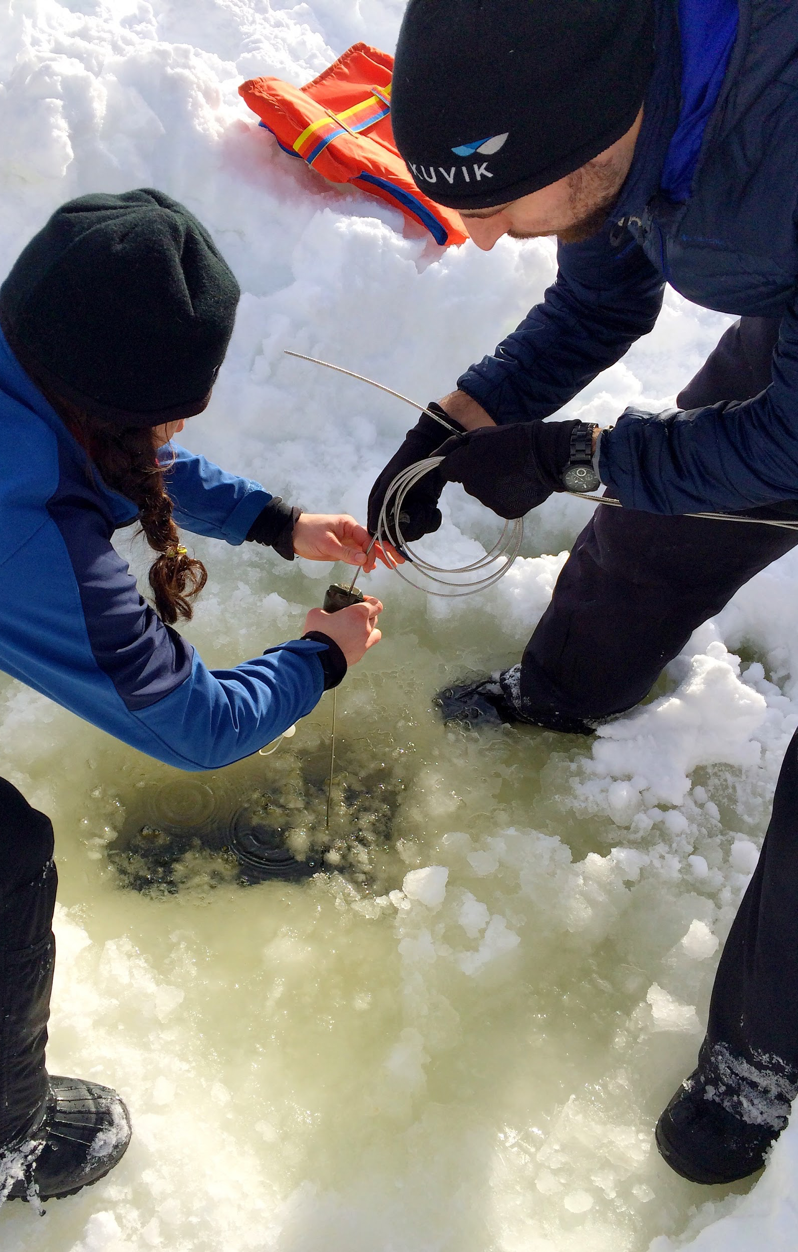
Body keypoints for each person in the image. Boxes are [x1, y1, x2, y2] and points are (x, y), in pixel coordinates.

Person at [0, 189, 386, 1247]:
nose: (179, 429)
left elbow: (82, 442)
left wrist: (273, 521)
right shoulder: (19, 538)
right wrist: (320, 657)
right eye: (170, 413)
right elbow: (194, 727)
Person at [367, 0, 798, 1188]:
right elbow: (602, 296)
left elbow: (790, 447)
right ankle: (562, 690)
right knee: (660, 525)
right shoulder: (601, 76)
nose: (492, 236)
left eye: (503, 205)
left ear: (610, 136)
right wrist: (462, 421)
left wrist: (576, 458)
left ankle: (766, 1050)